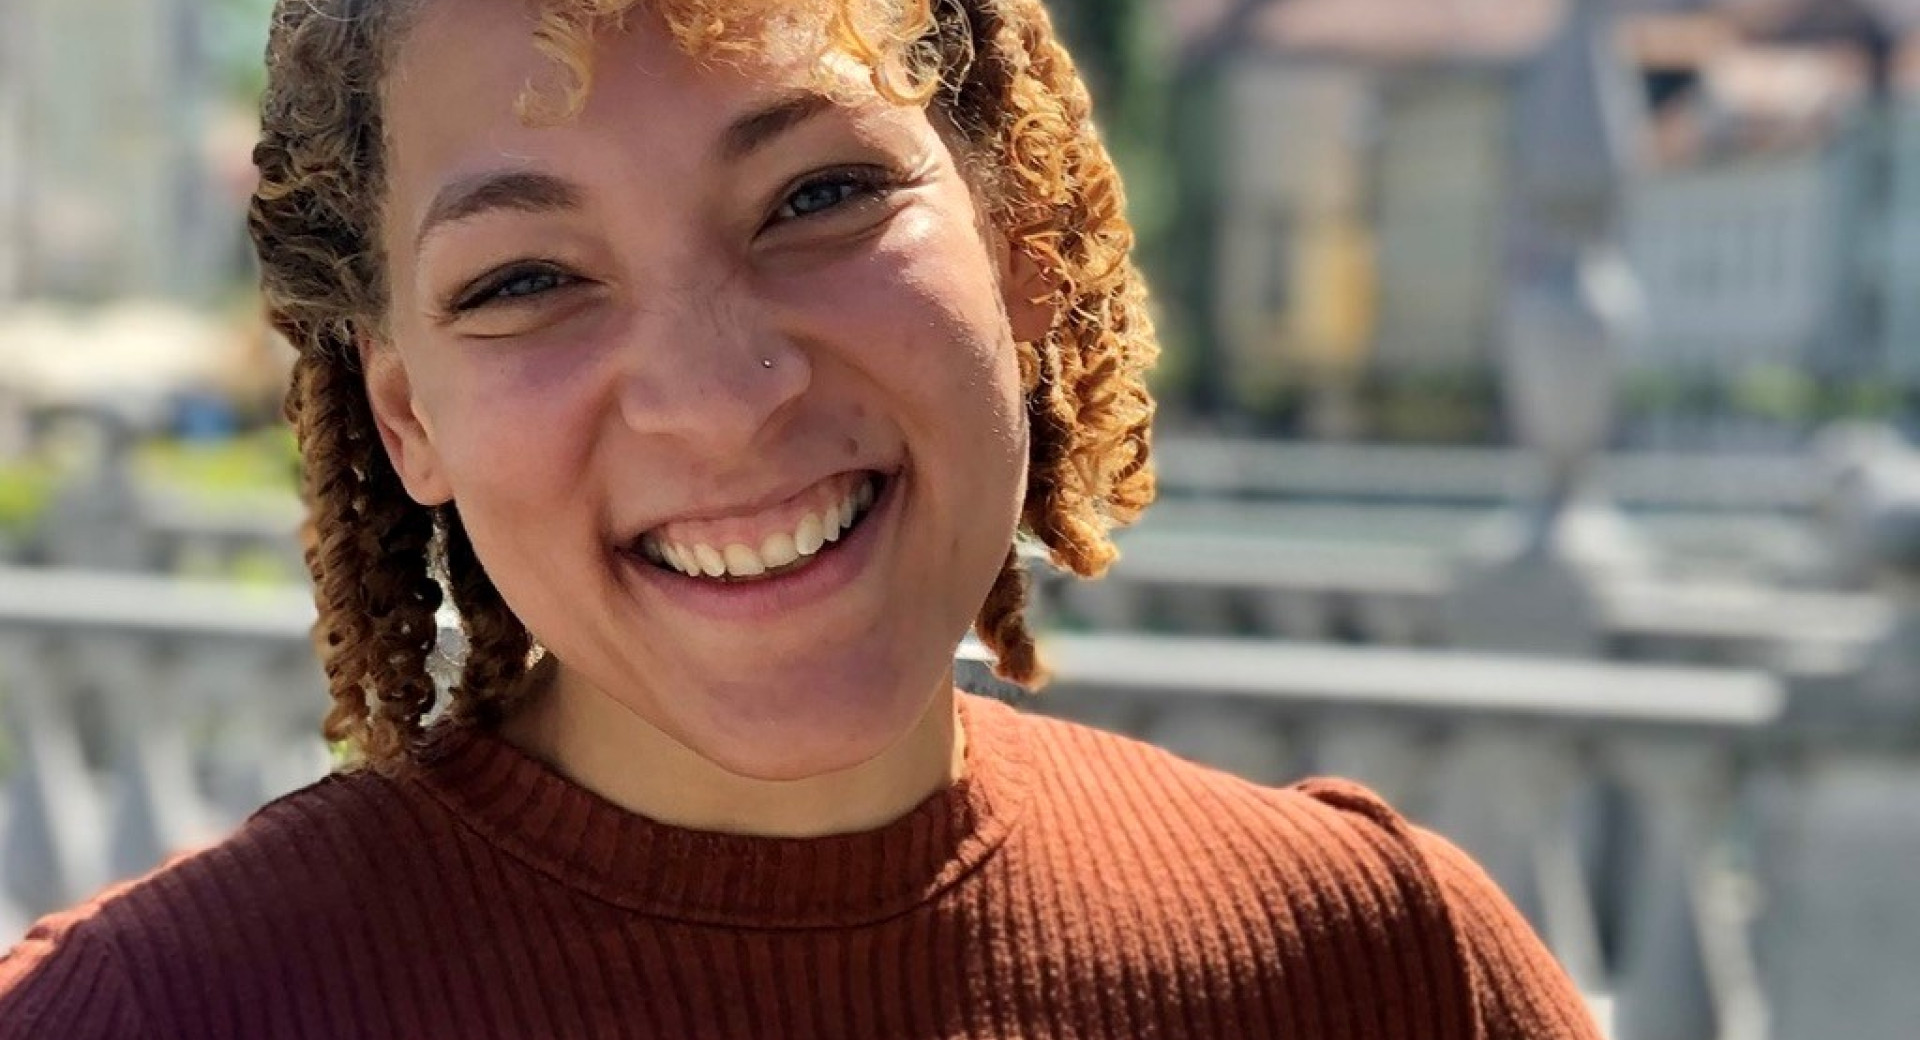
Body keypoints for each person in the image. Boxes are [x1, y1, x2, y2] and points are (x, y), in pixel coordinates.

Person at [0, 0, 1602, 1036]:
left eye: (818, 197)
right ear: (404, 409)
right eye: (528, 281)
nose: (716, 391)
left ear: (1022, 235)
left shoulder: (1379, 968)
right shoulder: (134, 1021)